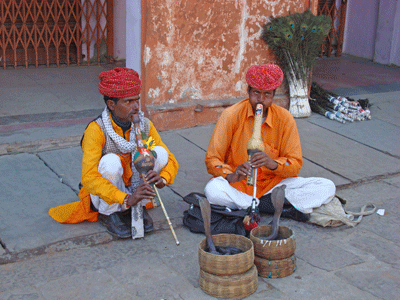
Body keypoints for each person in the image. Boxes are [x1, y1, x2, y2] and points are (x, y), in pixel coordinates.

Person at [49, 67, 179, 239]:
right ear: (111, 104)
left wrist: (163, 178)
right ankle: (109, 214)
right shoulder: (96, 130)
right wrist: (125, 198)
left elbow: (169, 159)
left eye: (137, 100)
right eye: (128, 102)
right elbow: (89, 178)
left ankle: (139, 205)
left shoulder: (145, 124)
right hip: (105, 195)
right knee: (110, 162)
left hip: (134, 188)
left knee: (158, 152)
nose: (135, 107)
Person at [204, 64, 335, 221]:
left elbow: (295, 164)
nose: (260, 100)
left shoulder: (285, 118)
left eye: (267, 94)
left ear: (274, 94)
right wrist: (231, 175)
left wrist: (272, 163)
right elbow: (212, 160)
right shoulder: (231, 115)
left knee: (326, 186)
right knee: (212, 190)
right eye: (256, 93)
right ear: (248, 91)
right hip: (240, 185)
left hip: (273, 185)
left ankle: (255, 206)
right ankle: (275, 207)